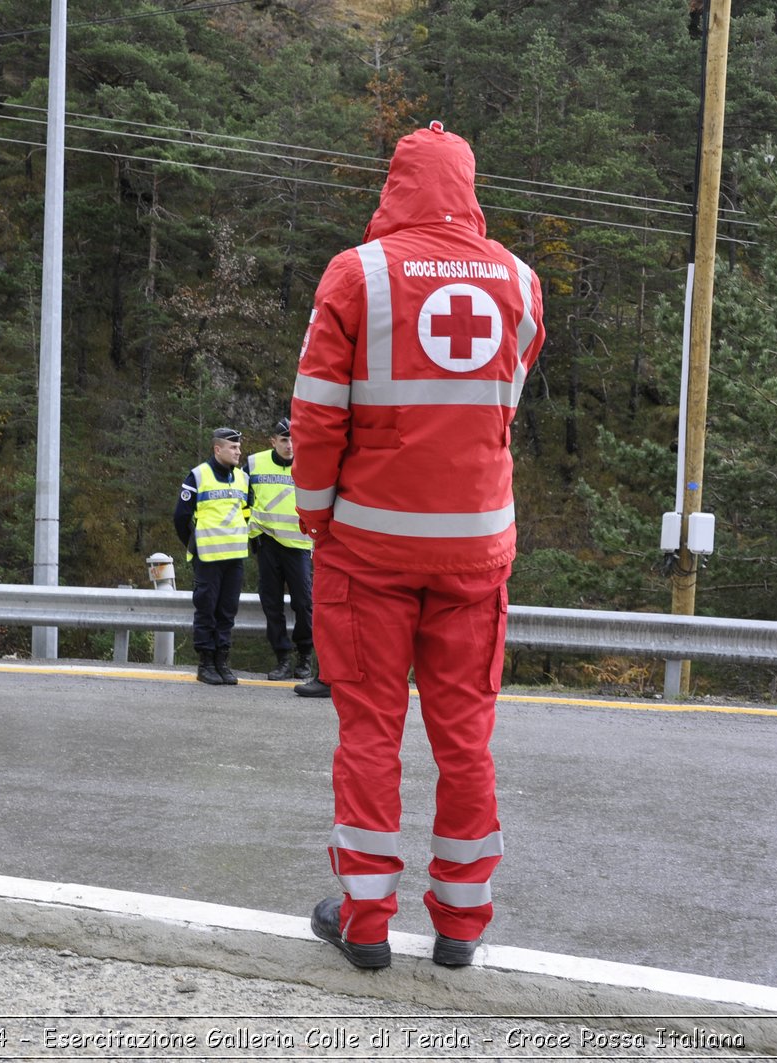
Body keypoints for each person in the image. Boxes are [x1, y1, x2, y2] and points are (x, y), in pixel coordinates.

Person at [291, 121, 545, 970]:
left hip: (368, 548)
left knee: (369, 732)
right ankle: (462, 926)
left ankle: (364, 924)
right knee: (465, 737)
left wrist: (316, 517)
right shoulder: (520, 280)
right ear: (468, 187)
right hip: (477, 549)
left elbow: (318, 413)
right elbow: (503, 403)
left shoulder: (356, 273)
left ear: (396, 183)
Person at [245, 417, 325, 694]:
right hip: (267, 544)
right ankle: (282, 658)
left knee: (303, 604)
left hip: (299, 545)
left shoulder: (308, 463)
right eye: (284, 440)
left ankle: (304, 657)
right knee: (272, 604)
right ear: (273, 441)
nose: (290, 445)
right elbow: (242, 498)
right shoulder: (254, 463)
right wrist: (252, 532)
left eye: (293, 439)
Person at [173, 427, 249, 686]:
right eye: (233, 447)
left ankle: (222, 662)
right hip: (207, 558)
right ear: (218, 449)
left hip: (235, 558)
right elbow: (181, 517)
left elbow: (245, 512)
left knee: (227, 611)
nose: (238, 451)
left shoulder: (241, 478)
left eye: (239, 447)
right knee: (207, 609)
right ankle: (206, 663)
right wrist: (194, 546)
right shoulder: (198, 475)